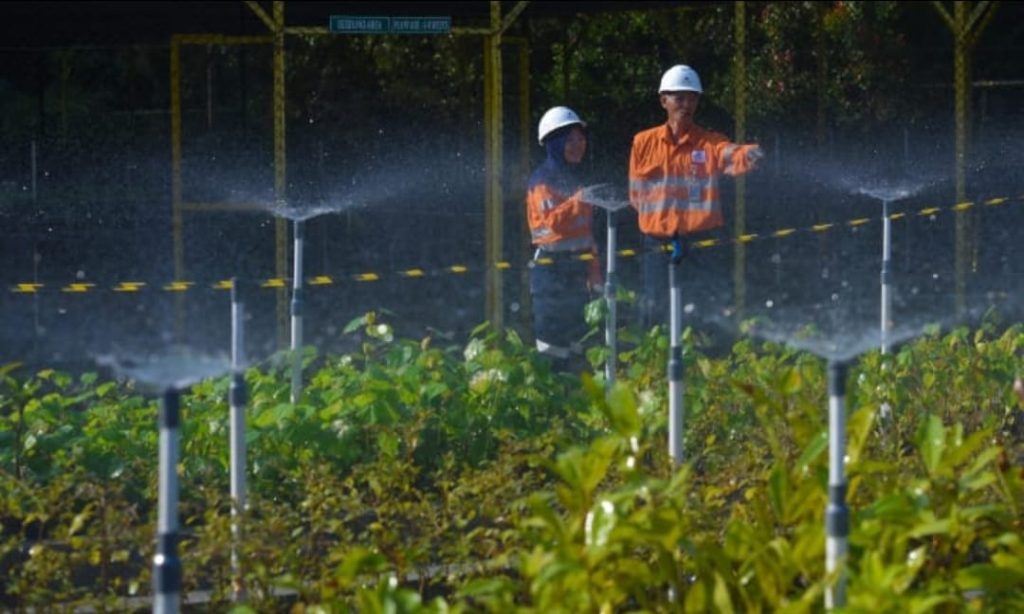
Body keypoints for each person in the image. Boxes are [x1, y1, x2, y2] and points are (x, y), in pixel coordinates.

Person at [629, 65, 764, 328]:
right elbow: (636, 194)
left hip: (703, 244)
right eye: (679, 98)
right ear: (663, 101)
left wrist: (749, 153)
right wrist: (664, 224)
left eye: (692, 98)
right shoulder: (643, 143)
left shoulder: (708, 143)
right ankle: (657, 366)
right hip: (657, 244)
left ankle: (710, 364)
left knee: (707, 313)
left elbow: (728, 153)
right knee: (656, 313)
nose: (686, 104)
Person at [526, 106, 602, 366]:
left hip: (577, 270)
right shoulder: (542, 181)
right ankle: (552, 398)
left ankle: (577, 398)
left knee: (579, 342)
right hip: (551, 270)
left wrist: (594, 272)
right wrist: (578, 200)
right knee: (552, 344)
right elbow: (552, 225)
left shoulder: (574, 179)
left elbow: (586, 233)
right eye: (570, 140)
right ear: (553, 143)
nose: (578, 145)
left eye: (581, 139)